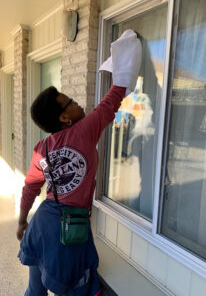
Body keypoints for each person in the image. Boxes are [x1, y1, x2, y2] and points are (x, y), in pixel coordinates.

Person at [16, 29, 142, 296]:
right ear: (64, 118)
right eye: (70, 102)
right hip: (69, 230)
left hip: (41, 223)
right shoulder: (84, 130)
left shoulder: (42, 148)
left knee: (35, 289)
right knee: (73, 288)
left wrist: (21, 221)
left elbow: (30, 188)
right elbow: (113, 99)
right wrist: (127, 53)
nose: (77, 102)